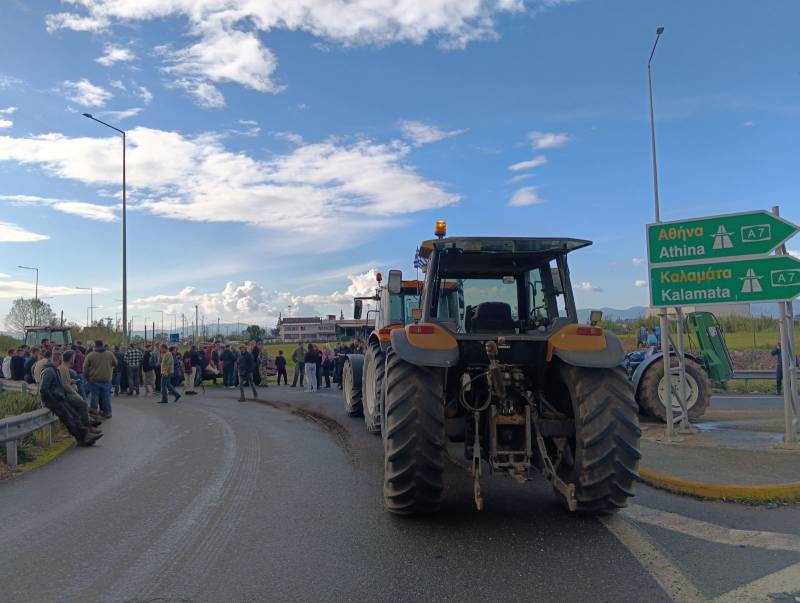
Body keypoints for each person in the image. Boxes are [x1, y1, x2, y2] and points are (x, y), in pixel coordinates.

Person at [39, 351, 102, 447]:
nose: (62, 361)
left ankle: (85, 435)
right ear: (57, 359)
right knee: (69, 419)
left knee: (74, 415)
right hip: (54, 402)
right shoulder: (49, 371)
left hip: (59, 399)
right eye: (61, 359)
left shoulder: (53, 370)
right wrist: (53, 400)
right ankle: (82, 439)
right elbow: (43, 389)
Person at [60, 350, 102, 433]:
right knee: (83, 403)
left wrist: (72, 381)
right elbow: (65, 385)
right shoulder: (63, 368)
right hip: (65, 395)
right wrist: (75, 393)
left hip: (66, 393)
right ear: (70, 358)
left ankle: (90, 420)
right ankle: (87, 425)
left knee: (81, 402)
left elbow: (66, 381)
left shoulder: (64, 368)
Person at [83, 340, 117, 418]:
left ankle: (93, 413)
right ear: (102, 345)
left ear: (95, 345)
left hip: (94, 379)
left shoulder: (90, 355)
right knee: (106, 397)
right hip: (106, 379)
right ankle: (107, 413)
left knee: (94, 397)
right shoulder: (109, 354)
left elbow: (85, 368)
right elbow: (115, 363)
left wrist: (85, 378)